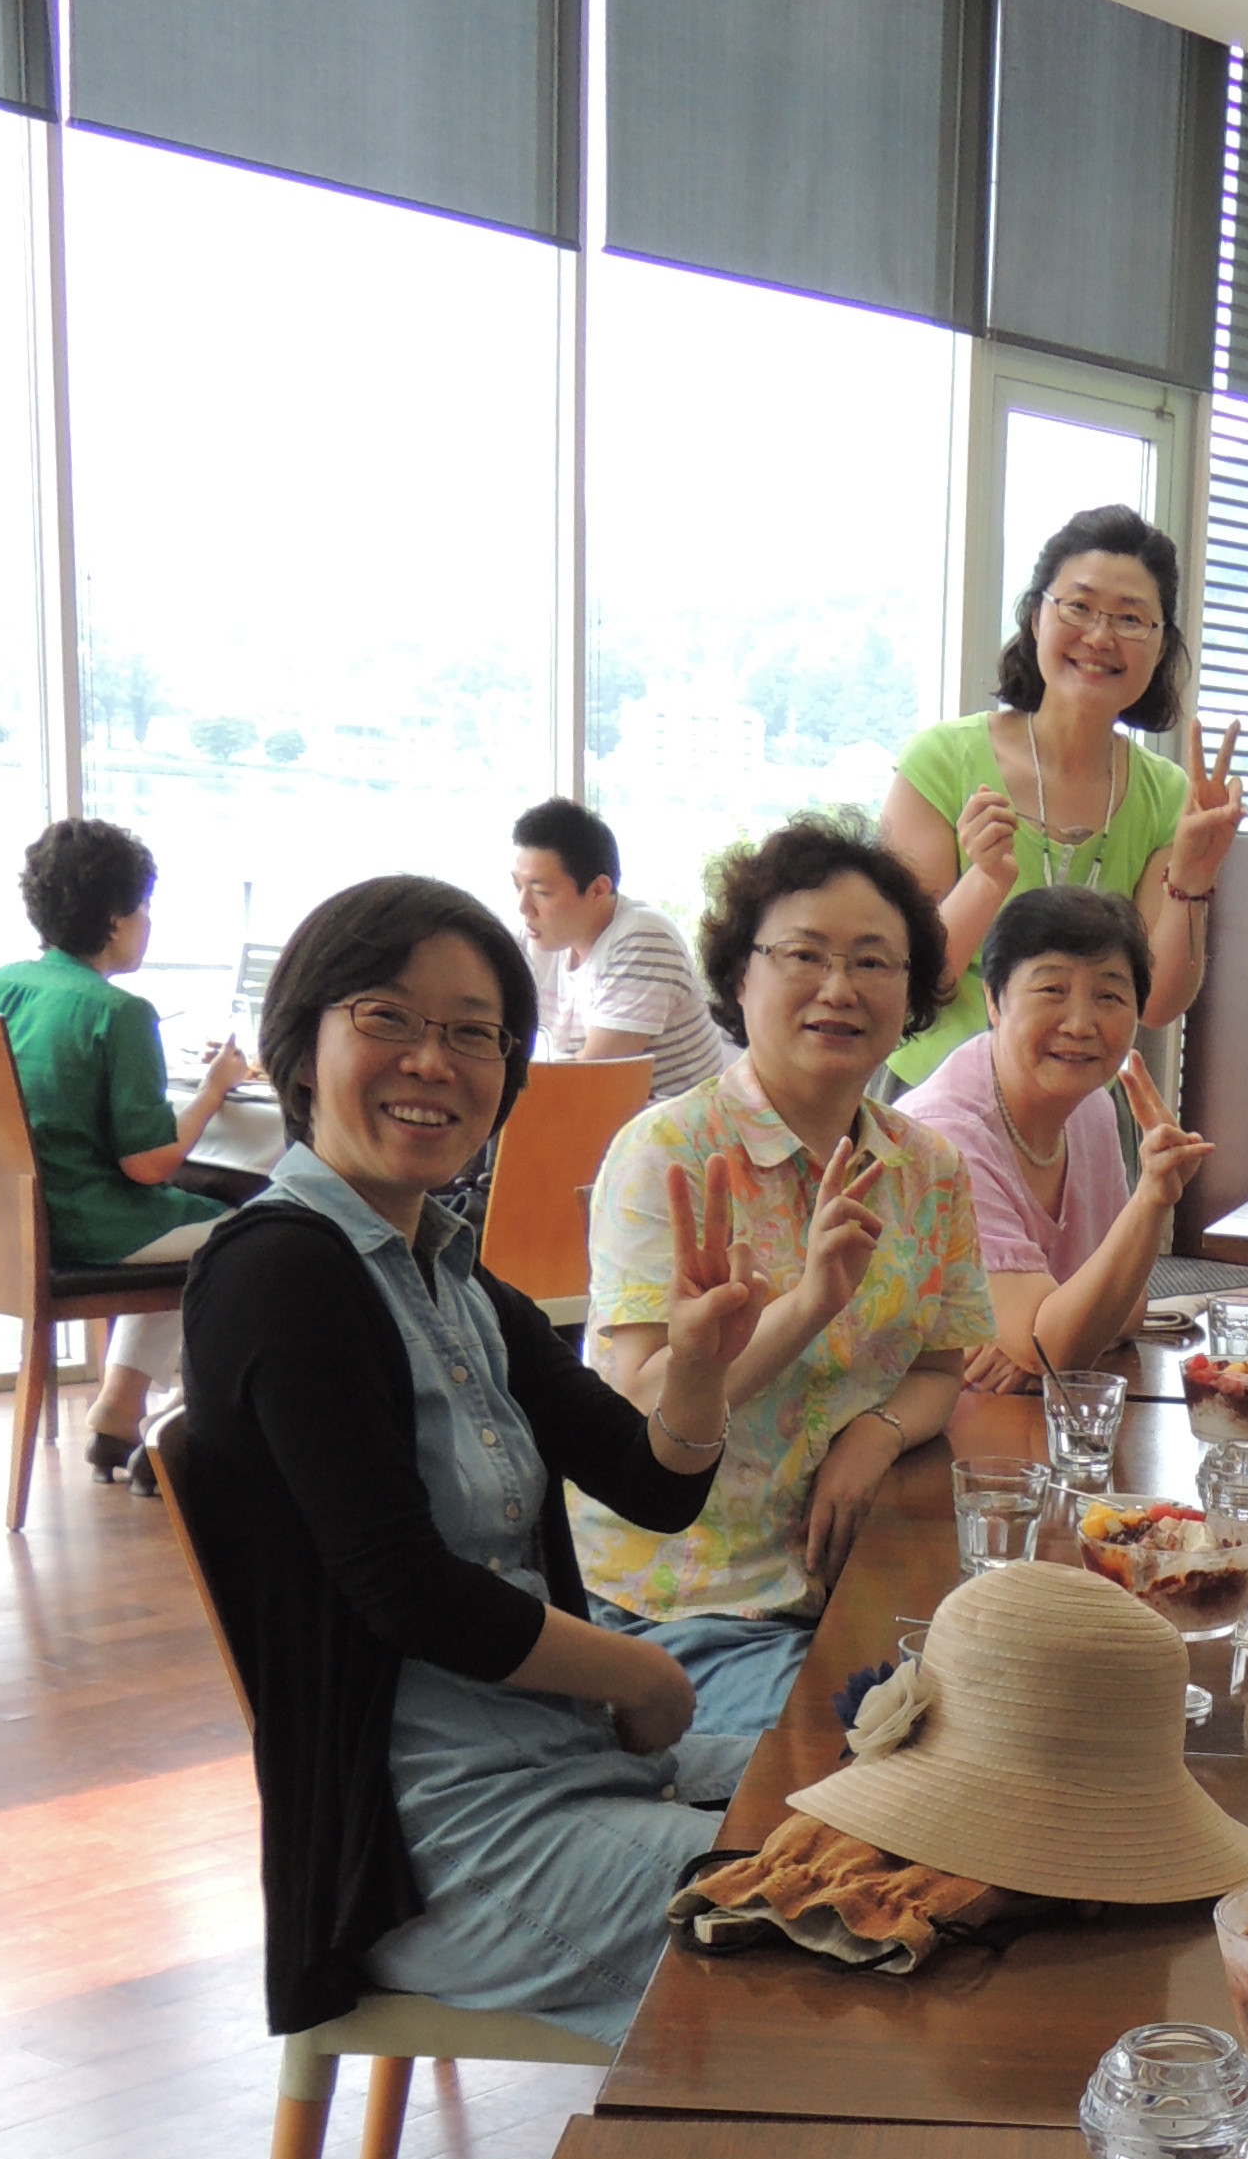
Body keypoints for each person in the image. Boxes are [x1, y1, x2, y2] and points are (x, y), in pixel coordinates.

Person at [178, 876, 769, 2050]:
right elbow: (403, 1588)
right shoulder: (278, 1273)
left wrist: (698, 1368)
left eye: (472, 1033)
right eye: (388, 1019)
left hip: (570, 1767)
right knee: (840, 1889)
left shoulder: (449, 1273)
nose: (431, 1061)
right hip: (438, 1850)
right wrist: (639, 1675)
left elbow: (650, 1483)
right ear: (302, 1046)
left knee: (885, 1795)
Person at [577, 824, 993, 1755]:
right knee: (879, 1771)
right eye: (804, 955)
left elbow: (940, 1369)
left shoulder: (927, 1168)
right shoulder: (668, 1153)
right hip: (684, 1603)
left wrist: (875, 1433)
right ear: (740, 975)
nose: (839, 988)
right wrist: (805, 1305)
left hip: (860, 1583)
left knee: (1024, 1722)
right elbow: (639, 1406)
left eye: (873, 962)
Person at [875, 508, 1242, 1079]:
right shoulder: (941, 761)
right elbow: (907, 980)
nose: (1099, 636)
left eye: (1131, 618)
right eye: (1078, 607)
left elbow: (1157, 1005)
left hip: (1080, 1101)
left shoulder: (1169, 794)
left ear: (1161, 646)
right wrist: (986, 879)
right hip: (936, 1096)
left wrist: (1193, 879)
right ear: (1035, 617)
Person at [0, 816, 248, 1486]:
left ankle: (120, 1411)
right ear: (116, 919)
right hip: (85, 1226)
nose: (148, 922)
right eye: (145, 907)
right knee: (252, 1236)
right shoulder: (119, 1012)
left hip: (2, 1220)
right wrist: (214, 1088)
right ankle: (183, 1420)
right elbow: (148, 1165)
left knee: (197, 1229)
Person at [898, 886, 1209, 1383]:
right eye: (1051, 991)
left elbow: (1126, 1307)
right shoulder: (944, 1135)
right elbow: (1056, 1346)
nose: (1081, 1024)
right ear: (994, 1000)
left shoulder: (1091, 1108)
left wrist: (1040, 1338)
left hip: (1021, 1406)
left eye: (1109, 996)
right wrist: (1151, 1199)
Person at [508, 797, 719, 1097]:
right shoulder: (536, 935)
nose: (523, 906)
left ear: (598, 889)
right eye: (517, 886)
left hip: (676, 1120)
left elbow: (590, 1080)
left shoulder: (644, 939)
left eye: (541, 891)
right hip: (606, 1114)